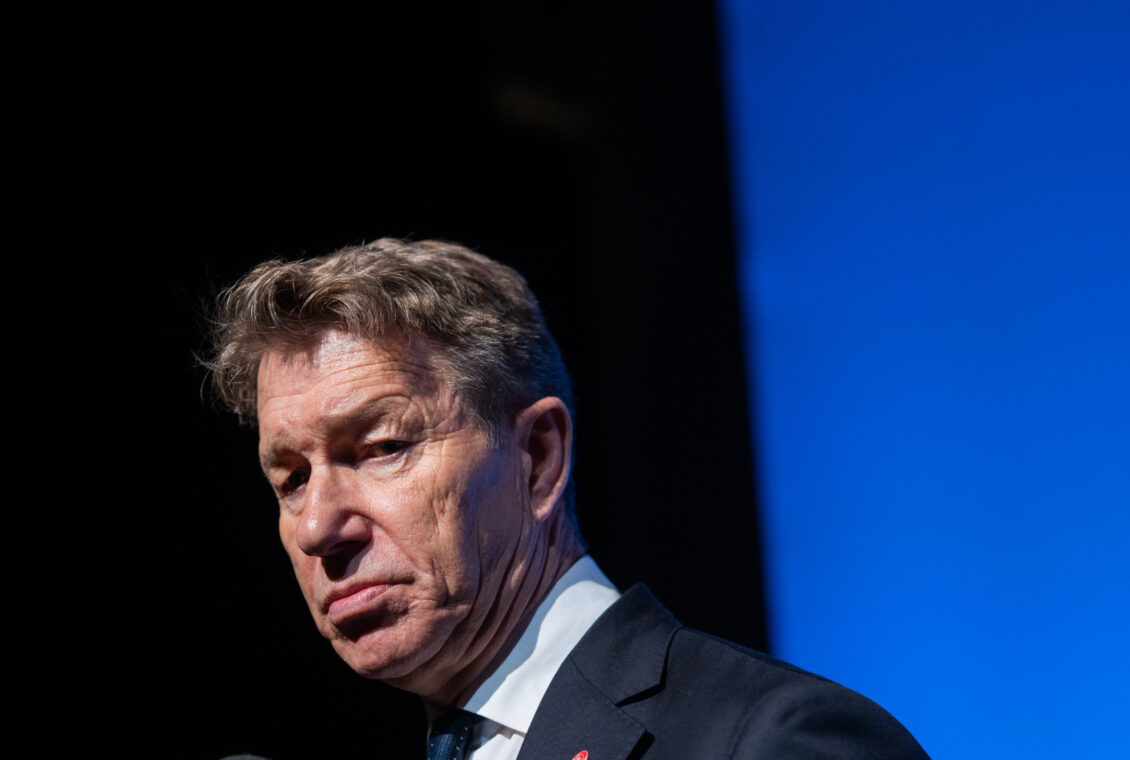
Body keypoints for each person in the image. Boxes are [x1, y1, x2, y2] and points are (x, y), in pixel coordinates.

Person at [207, 238, 929, 759]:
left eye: (382, 446)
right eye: (291, 479)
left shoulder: (773, 740)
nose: (316, 526)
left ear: (538, 459)